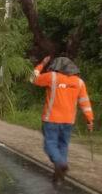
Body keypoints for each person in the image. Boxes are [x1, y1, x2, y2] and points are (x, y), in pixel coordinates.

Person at [32, 55, 94, 184]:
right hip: (68, 122)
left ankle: (59, 163)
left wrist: (41, 64)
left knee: (50, 144)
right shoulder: (79, 82)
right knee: (63, 145)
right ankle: (60, 172)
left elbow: (33, 78)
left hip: (51, 119)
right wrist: (89, 119)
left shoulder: (52, 77)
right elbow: (85, 102)